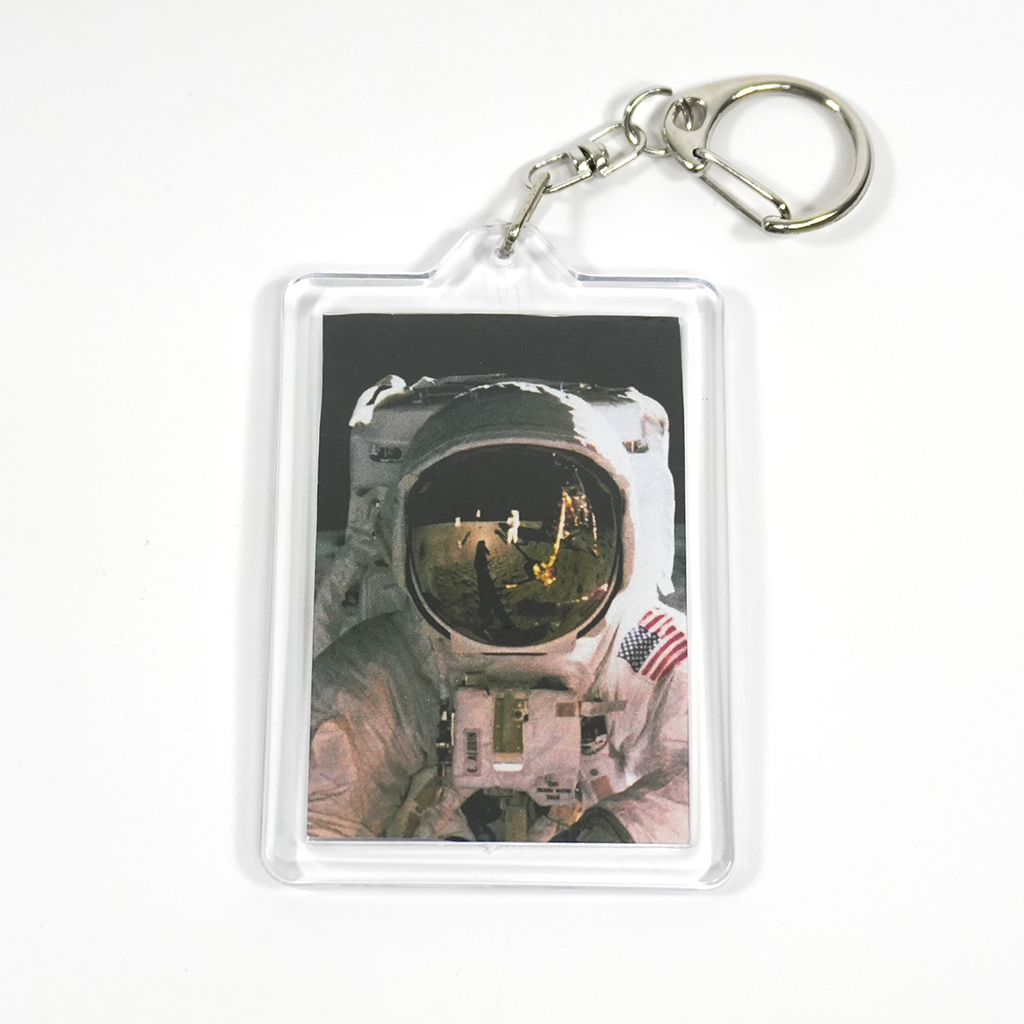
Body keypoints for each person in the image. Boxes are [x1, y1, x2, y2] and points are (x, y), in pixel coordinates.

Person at [307, 376, 688, 843]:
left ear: (622, 543)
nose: (514, 596)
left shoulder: (640, 644)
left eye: (557, 554)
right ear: (402, 543)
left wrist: (612, 835)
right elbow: (313, 812)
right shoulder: (394, 661)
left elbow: (720, 769)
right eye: (461, 550)